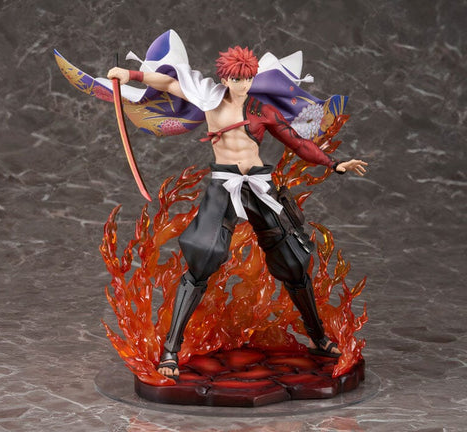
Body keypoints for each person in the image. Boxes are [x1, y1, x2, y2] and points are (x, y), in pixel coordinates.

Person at [107, 45, 367, 377]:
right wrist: (129, 74)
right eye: (236, 79)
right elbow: (169, 83)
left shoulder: (262, 110)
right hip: (224, 184)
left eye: (246, 79)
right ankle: (170, 351)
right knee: (202, 258)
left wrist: (333, 163)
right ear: (225, 78)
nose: (242, 85)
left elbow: (297, 142)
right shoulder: (207, 96)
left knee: (292, 259)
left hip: (258, 184)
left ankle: (317, 337)